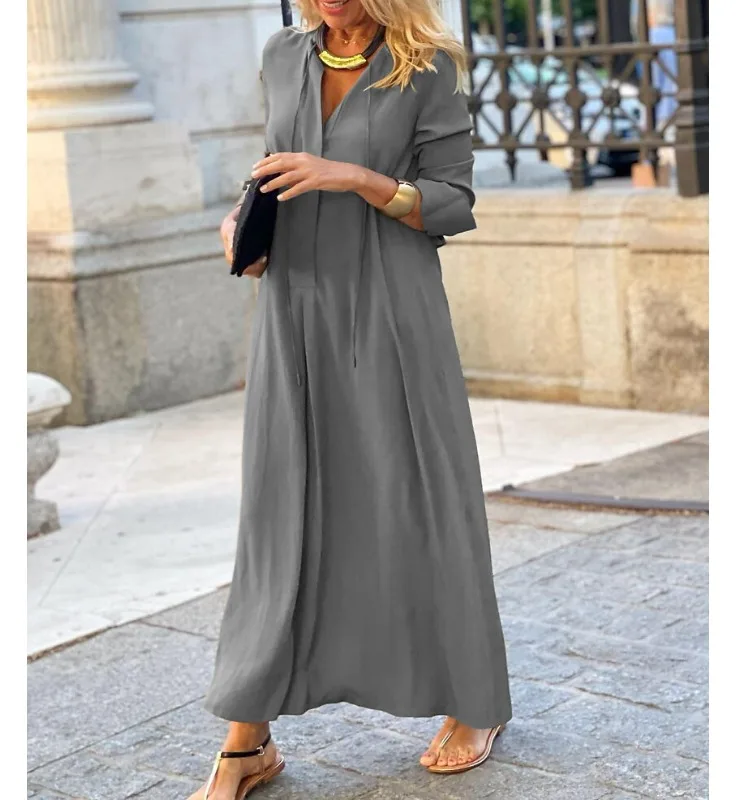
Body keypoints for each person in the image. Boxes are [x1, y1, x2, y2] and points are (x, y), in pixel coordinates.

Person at [190, 1, 512, 797]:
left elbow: (452, 200)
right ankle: (246, 737)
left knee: (421, 495)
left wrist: (354, 177)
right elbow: (272, 166)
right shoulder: (282, 53)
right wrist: (242, 220)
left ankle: (477, 701)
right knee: (280, 505)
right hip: (293, 304)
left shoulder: (428, 64)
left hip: (392, 301)